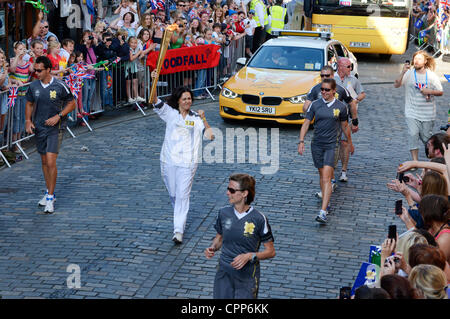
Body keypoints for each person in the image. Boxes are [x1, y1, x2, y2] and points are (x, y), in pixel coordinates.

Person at [150, 70, 214, 244]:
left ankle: (178, 230)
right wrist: (153, 80)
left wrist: (204, 117)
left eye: (189, 98)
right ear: (178, 100)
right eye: (184, 99)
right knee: (174, 194)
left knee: (182, 195)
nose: (187, 101)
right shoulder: (170, 113)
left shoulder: (195, 118)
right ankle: (179, 215)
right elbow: (153, 100)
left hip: (188, 162)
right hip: (168, 160)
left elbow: (210, 136)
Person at [204, 173, 276, 299]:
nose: (227, 193)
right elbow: (220, 237)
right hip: (224, 273)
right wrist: (213, 248)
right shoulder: (223, 213)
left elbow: (271, 252)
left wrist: (249, 256)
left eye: (232, 190)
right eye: (228, 189)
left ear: (244, 194)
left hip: (246, 277)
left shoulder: (259, 219)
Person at [25, 56, 76, 214]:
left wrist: (59, 116)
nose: (37, 73)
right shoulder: (33, 86)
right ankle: (49, 192)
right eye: (35, 70)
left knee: (50, 160)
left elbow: (72, 103)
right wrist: (28, 120)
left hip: (56, 128)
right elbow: (29, 103)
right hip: (40, 128)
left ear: (48, 70)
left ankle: (50, 198)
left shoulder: (60, 85)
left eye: (39, 70)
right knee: (44, 162)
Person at [298, 78, 353, 224]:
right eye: (322, 89)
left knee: (327, 177)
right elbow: (306, 123)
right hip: (316, 145)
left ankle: (323, 212)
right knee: (322, 175)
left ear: (334, 91)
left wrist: (349, 143)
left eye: (327, 90)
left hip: (331, 146)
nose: (323, 92)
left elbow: (345, 126)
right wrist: (301, 141)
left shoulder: (341, 107)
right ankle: (325, 199)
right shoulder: (315, 105)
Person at [302, 65, 357, 199]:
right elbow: (306, 105)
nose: (324, 78)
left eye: (327, 76)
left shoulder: (342, 88)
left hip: (340, 122)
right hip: (323, 126)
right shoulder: (315, 89)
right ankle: (330, 180)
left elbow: (352, 102)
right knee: (325, 163)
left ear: (333, 76)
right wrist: (310, 111)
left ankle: (343, 170)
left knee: (343, 145)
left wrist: (355, 120)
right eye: (322, 76)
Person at [394, 50, 443, 161]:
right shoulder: (409, 73)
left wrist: (428, 91)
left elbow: (440, 91)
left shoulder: (431, 76)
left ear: (425, 61)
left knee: (427, 138)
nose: (416, 61)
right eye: (415, 59)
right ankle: (415, 161)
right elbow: (396, 84)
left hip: (428, 114)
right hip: (411, 112)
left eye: (419, 59)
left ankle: (436, 157)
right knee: (413, 133)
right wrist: (402, 72)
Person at [334, 57, 363, 182]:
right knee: (334, 144)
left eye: (351, 66)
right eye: (348, 66)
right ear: (340, 66)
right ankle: (331, 169)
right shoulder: (331, 79)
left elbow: (362, 93)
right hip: (332, 119)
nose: (350, 69)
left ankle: (343, 171)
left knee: (345, 143)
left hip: (346, 118)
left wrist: (355, 100)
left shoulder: (353, 79)